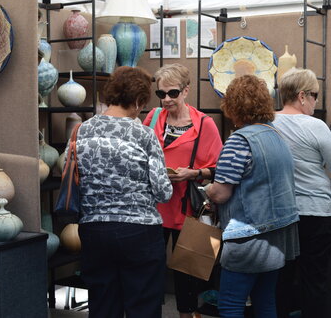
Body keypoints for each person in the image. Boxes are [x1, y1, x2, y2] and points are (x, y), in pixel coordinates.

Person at [76, 66, 173, 318]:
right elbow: (163, 192)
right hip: (139, 231)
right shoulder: (144, 135)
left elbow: (72, 174)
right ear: (139, 101)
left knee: (102, 306)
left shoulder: (82, 130)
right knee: (143, 307)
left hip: (94, 229)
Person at [205, 75, 300, 318]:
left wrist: (207, 189)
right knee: (265, 301)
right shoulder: (276, 135)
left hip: (248, 236)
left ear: (233, 106)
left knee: (230, 304)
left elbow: (222, 193)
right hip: (279, 234)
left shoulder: (239, 140)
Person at [143, 63, 223, 318]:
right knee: (149, 270)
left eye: (173, 93)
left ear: (186, 91)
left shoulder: (205, 124)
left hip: (193, 209)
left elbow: (220, 169)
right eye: (161, 94)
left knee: (190, 278)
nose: (166, 99)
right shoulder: (153, 118)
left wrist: (194, 173)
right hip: (154, 208)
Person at [273, 68, 331, 318]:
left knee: (281, 279)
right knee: (314, 281)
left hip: (281, 213)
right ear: (302, 96)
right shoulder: (316, 126)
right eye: (315, 95)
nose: (316, 101)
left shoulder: (268, 123)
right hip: (315, 211)